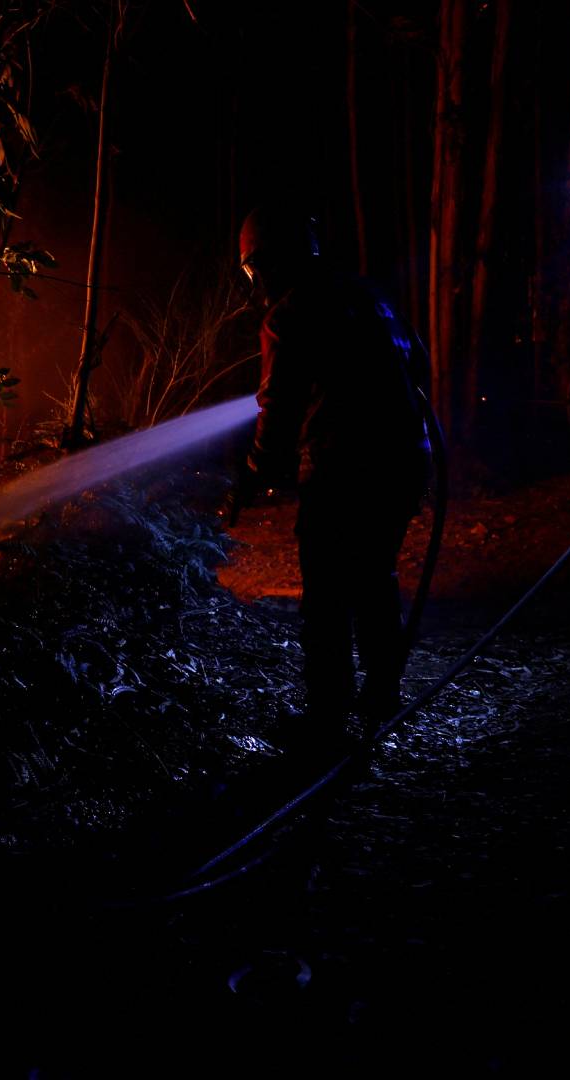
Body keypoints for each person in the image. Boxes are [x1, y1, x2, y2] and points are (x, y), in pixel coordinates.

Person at [229, 204, 433, 746]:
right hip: (407, 461)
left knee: (326, 591)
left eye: (254, 271)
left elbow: (279, 407)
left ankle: (328, 715)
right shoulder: (369, 295)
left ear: (268, 263)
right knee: (374, 574)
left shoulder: (289, 313)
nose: (257, 285)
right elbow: (420, 368)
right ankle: (382, 695)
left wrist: (254, 475)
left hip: (346, 469)